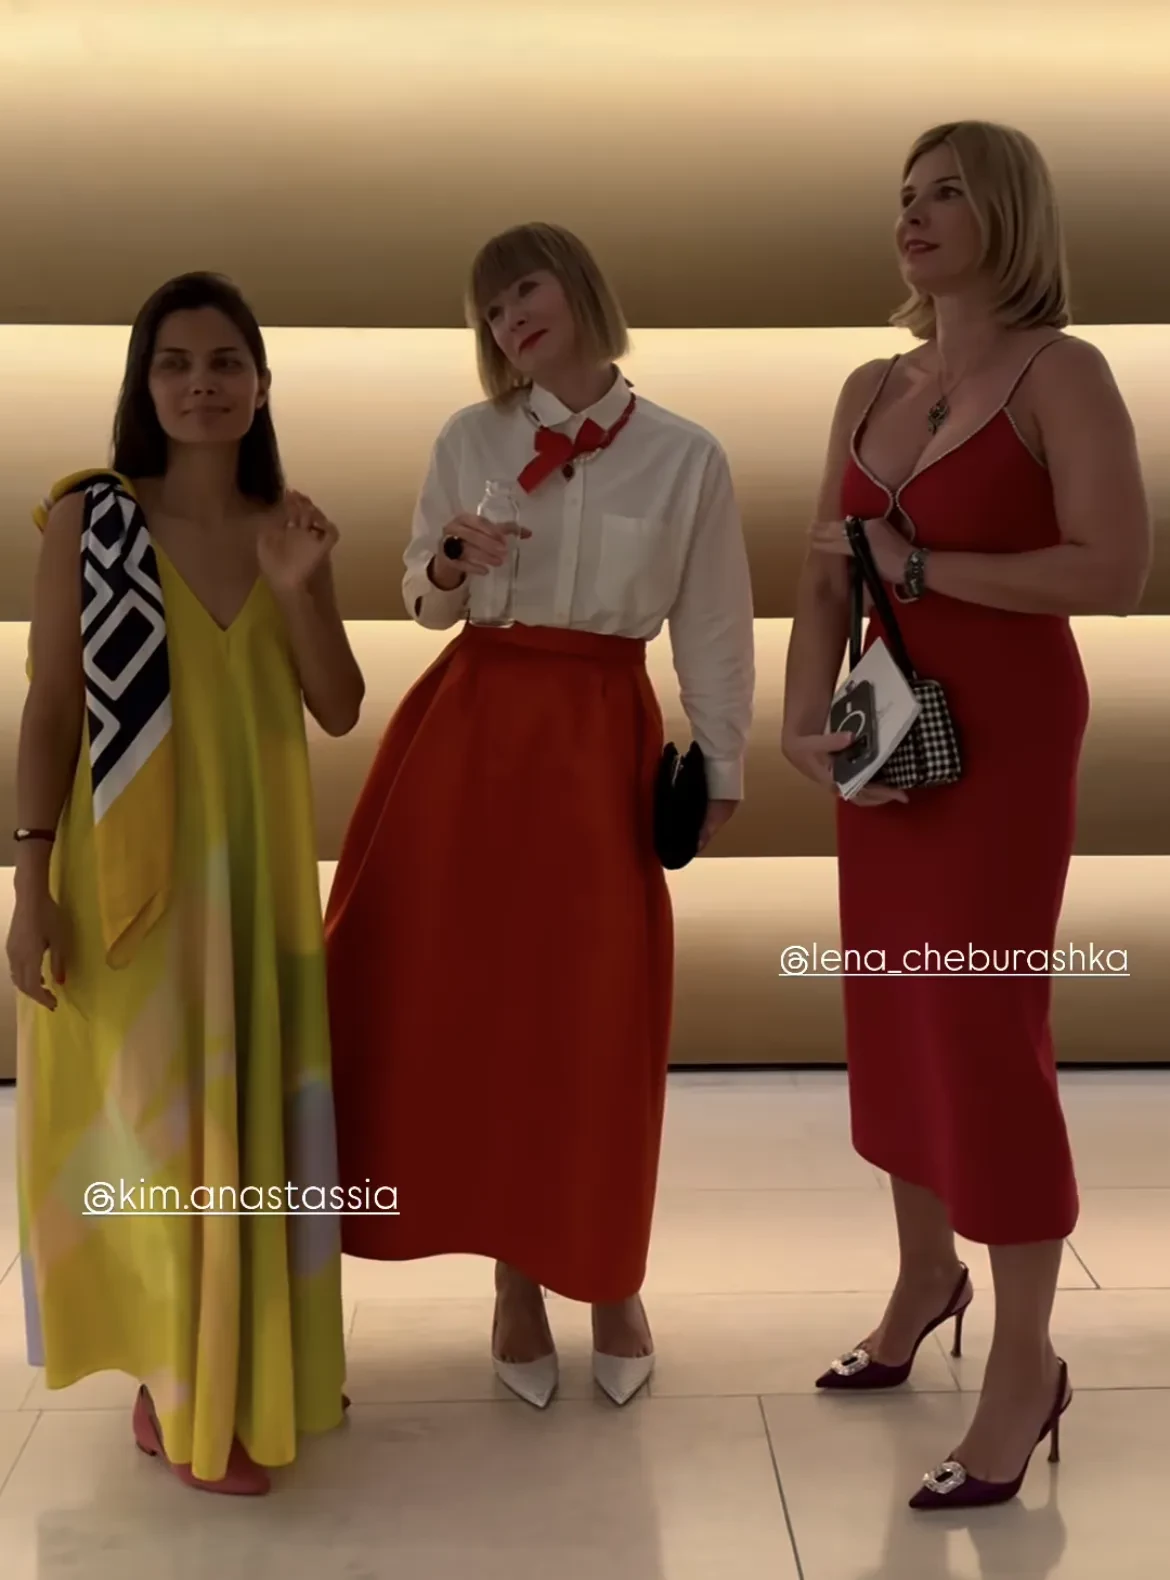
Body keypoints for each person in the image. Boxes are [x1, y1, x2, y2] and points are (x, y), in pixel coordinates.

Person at [782, 121, 1151, 1509]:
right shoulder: (869, 382)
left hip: (1003, 734)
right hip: (883, 723)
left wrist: (926, 564)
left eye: (947, 192)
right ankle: (924, 1276)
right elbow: (826, 568)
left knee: (984, 1025)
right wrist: (800, 716)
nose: (915, 214)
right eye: (905, 194)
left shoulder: (1064, 372)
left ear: (1008, 214)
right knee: (894, 1010)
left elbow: (1110, 571)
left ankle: (1024, 1363)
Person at [324, 221, 755, 1409]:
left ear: (578, 288)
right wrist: (449, 563)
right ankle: (514, 1279)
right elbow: (421, 601)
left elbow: (712, 617)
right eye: (489, 307)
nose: (509, 317)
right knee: (480, 1008)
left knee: (599, 1011)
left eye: (524, 288)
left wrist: (721, 760)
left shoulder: (686, 455)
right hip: (471, 732)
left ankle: (610, 1273)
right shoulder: (468, 438)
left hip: (601, 738)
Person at [6, 271, 365, 1495]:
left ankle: (256, 1357)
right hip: (131, 879)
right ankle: (180, 1383)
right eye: (175, 362)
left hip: (257, 875)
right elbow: (51, 708)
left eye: (224, 362)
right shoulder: (90, 520)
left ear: (261, 384)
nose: (201, 383)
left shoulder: (288, 525)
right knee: (155, 1134)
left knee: (253, 1120)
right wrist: (29, 882)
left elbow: (338, 703)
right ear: (143, 384)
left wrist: (300, 586)